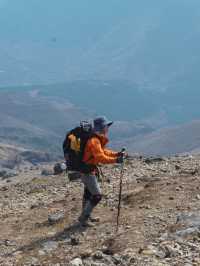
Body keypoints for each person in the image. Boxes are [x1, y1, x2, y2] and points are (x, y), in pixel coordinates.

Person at [78, 116, 125, 227]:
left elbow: (103, 152)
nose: (108, 128)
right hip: (87, 172)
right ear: (102, 127)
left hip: (87, 170)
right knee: (97, 196)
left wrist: (116, 154)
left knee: (88, 193)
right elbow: (100, 158)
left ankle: (86, 215)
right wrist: (116, 160)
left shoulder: (95, 139)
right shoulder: (94, 140)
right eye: (106, 126)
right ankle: (83, 218)